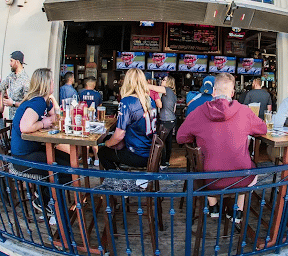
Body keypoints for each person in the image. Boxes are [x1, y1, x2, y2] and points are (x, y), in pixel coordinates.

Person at [177, 73, 267, 223]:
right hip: (240, 179)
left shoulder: (198, 112)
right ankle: (237, 211)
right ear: (232, 93)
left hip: (209, 180)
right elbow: (263, 129)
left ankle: (213, 206)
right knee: (251, 168)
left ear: (213, 92)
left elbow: (180, 137)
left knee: (210, 162)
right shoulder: (245, 111)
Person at [10, 68, 70, 211]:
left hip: (32, 150)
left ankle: (44, 194)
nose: (54, 84)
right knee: (64, 169)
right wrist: (43, 123)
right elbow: (25, 126)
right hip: (23, 157)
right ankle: (46, 202)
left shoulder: (43, 100)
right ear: (46, 83)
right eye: (52, 81)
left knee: (67, 160)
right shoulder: (37, 102)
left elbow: (57, 116)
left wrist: (53, 99)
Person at [97, 68, 157, 170]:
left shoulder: (127, 101)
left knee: (102, 152)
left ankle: (117, 182)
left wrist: (106, 144)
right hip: (151, 152)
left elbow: (119, 135)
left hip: (137, 154)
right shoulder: (150, 99)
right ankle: (121, 179)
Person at [149, 75, 177, 168]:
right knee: (168, 142)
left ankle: (163, 163)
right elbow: (174, 109)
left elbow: (152, 87)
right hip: (171, 120)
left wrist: (140, 83)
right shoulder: (173, 93)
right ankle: (166, 162)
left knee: (161, 142)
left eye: (164, 80)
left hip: (165, 120)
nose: (162, 81)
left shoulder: (167, 90)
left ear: (168, 82)